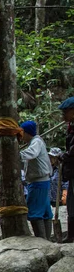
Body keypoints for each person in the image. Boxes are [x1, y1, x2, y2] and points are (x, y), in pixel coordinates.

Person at [20, 120, 53, 240]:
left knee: (34, 212)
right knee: (44, 211)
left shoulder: (36, 142)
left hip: (38, 182)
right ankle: (46, 240)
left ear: (26, 132)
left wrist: (15, 154)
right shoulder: (34, 143)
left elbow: (31, 154)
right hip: (41, 181)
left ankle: (42, 240)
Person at [59, 96, 74, 243]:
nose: (63, 116)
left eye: (65, 112)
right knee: (71, 202)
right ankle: (71, 235)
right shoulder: (71, 127)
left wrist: (64, 156)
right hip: (71, 171)